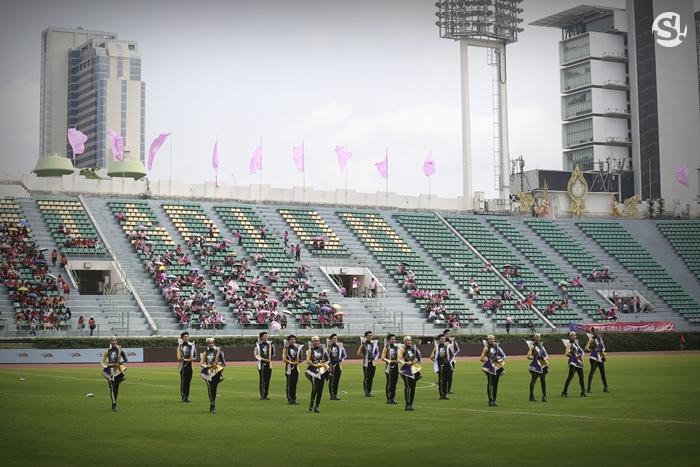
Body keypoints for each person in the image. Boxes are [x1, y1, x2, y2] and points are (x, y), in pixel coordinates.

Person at [101, 336, 128, 412]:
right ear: (110, 342)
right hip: (110, 372)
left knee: (116, 389)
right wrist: (111, 365)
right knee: (112, 388)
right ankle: (114, 404)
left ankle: (114, 403)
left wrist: (120, 363)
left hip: (118, 371)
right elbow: (103, 363)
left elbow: (126, 361)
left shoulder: (120, 350)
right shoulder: (107, 351)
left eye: (115, 340)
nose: (114, 342)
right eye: (112, 340)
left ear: (117, 341)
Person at [304, 336, 330, 413]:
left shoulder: (322, 349)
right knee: (315, 388)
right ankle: (311, 404)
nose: (317, 342)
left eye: (318, 341)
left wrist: (324, 365)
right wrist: (315, 365)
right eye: (315, 341)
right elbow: (308, 361)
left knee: (320, 389)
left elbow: (327, 360)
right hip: (313, 371)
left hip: (321, 370)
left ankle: (317, 406)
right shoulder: (310, 350)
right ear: (312, 342)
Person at [200, 337, 226, 413]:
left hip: (216, 372)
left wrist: (217, 364)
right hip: (207, 373)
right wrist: (208, 366)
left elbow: (224, 363)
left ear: (214, 343)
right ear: (207, 344)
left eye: (212, 343)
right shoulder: (205, 352)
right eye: (209, 343)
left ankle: (212, 404)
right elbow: (201, 364)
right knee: (210, 389)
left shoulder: (219, 352)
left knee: (214, 389)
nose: (211, 344)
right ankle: (213, 405)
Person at [480, 334, 506, 406]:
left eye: (492, 339)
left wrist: (499, 359)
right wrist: (487, 360)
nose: (491, 340)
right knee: (490, 383)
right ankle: (490, 400)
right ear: (487, 340)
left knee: (496, 384)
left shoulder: (497, 347)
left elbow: (503, 356)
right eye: (490, 339)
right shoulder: (486, 348)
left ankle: (494, 400)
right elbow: (481, 358)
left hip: (497, 366)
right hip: (490, 367)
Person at [398, 336, 422, 411]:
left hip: (414, 369)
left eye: (410, 340)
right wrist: (405, 363)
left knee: (413, 387)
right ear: (404, 342)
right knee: (408, 386)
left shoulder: (414, 348)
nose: (409, 341)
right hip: (406, 370)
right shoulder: (402, 349)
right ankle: (407, 404)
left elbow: (419, 358)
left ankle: (411, 403)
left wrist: (414, 361)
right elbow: (399, 358)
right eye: (408, 340)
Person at [561, 331, 586, 398]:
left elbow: (582, 352)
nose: (574, 336)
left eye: (575, 335)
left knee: (581, 377)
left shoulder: (576, 344)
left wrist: (580, 355)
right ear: (570, 336)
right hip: (573, 362)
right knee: (570, 377)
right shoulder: (569, 344)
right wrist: (572, 355)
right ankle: (564, 391)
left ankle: (583, 392)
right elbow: (566, 353)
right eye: (573, 335)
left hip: (579, 362)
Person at [431, 334, 454, 400]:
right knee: (441, 380)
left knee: (446, 380)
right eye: (442, 339)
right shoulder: (437, 347)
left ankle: (445, 394)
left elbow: (452, 355)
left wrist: (448, 361)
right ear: (439, 340)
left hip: (447, 365)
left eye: (444, 339)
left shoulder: (447, 347)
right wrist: (435, 361)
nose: (443, 340)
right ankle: (441, 395)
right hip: (440, 365)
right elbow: (431, 357)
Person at [527, 333, 548, 402]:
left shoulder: (542, 346)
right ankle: (531, 396)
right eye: (537, 337)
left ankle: (544, 396)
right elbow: (528, 356)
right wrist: (534, 357)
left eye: (539, 337)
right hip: (535, 365)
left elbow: (546, 355)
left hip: (542, 365)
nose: (538, 338)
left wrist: (543, 358)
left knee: (543, 381)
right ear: (534, 338)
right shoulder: (532, 346)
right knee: (533, 381)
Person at [586, 328, 609, 393]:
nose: (594, 332)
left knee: (603, 373)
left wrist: (603, 356)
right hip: (594, 357)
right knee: (592, 373)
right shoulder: (591, 339)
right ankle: (588, 388)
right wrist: (592, 348)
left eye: (595, 331)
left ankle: (605, 387)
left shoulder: (600, 338)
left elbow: (602, 348)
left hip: (600, 357)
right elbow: (587, 348)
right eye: (593, 331)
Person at [176, 332, 197, 402]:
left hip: (190, 366)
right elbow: (178, 357)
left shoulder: (192, 345)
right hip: (182, 366)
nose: (186, 338)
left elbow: (195, 356)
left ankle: (187, 396)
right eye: (185, 337)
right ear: (182, 338)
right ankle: (183, 396)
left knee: (188, 381)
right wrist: (181, 359)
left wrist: (191, 359)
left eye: (187, 336)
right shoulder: (180, 346)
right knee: (183, 381)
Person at [357, 331, 379, 397]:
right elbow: (358, 353)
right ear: (366, 337)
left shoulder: (374, 344)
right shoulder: (363, 344)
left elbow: (377, 352)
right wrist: (364, 357)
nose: (370, 337)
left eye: (371, 335)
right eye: (369, 336)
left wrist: (374, 357)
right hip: (366, 363)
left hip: (373, 362)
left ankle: (369, 391)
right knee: (366, 377)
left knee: (371, 377)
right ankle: (366, 391)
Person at [282, 334, 303, 405]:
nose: (293, 341)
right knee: (289, 384)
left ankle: (294, 399)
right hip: (288, 368)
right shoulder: (286, 349)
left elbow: (300, 359)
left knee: (294, 384)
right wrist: (291, 362)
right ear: (288, 341)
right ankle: (290, 399)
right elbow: (284, 359)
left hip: (296, 368)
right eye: (291, 340)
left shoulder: (297, 348)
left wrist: (298, 361)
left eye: (294, 339)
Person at [254, 331, 275, 400]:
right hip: (262, 364)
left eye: (267, 336)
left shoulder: (270, 345)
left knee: (268, 379)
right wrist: (263, 359)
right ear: (261, 337)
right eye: (264, 336)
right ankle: (262, 395)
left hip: (269, 364)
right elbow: (256, 355)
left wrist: (269, 357)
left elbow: (273, 354)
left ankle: (266, 395)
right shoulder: (258, 345)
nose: (266, 337)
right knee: (262, 380)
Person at [381, 334, 399, 404]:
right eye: (392, 339)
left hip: (395, 366)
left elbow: (399, 356)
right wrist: (389, 361)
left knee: (394, 383)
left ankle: (393, 398)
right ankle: (389, 398)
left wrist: (399, 360)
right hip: (388, 367)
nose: (393, 340)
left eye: (394, 339)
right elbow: (382, 357)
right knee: (389, 383)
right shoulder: (386, 348)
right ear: (388, 340)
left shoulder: (397, 348)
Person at [327, 333, 347, 400]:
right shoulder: (329, 347)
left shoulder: (340, 347)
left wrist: (341, 360)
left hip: (338, 365)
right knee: (331, 380)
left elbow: (345, 355)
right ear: (331, 339)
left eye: (336, 338)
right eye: (334, 338)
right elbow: (327, 357)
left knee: (336, 380)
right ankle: (331, 395)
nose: (335, 339)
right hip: (331, 365)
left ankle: (335, 394)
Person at [442, 329, 460, 393]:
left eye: (449, 334)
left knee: (450, 375)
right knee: (444, 375)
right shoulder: (442, 341)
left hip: (451, 360)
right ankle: (443, 388)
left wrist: (453, 355)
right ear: (444, 334)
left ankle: (449, 389)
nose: (448, 335)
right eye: (447, 334)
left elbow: (457, 349)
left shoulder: (453, 341)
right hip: (444, 361)